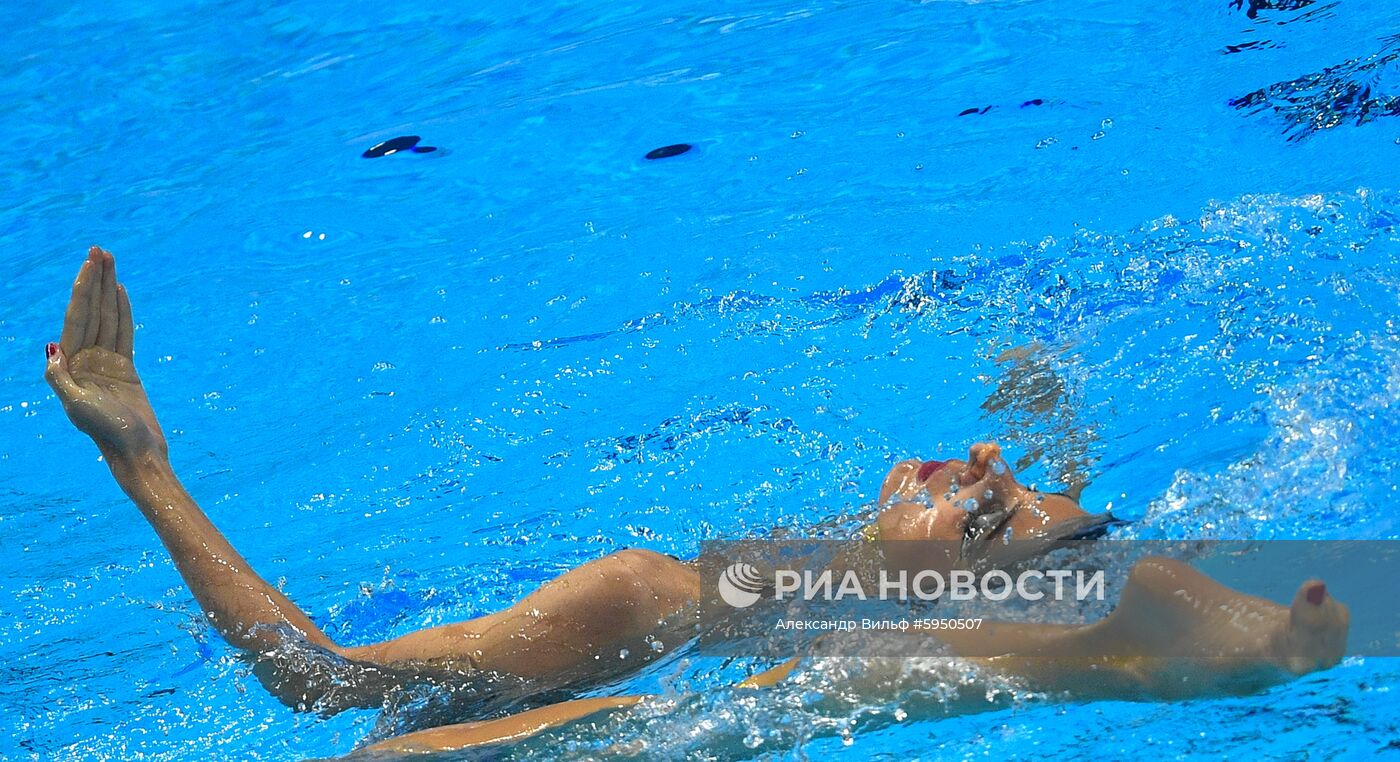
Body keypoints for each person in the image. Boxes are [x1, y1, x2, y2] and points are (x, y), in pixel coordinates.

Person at [45, 247, 1350, 755]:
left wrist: (140, 464)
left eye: (994, 513)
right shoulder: (674, 602)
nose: (981, 469)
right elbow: (323, 678)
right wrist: (142, 460)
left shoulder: (903, 649)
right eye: (1002, 476)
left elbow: (1153, 621)